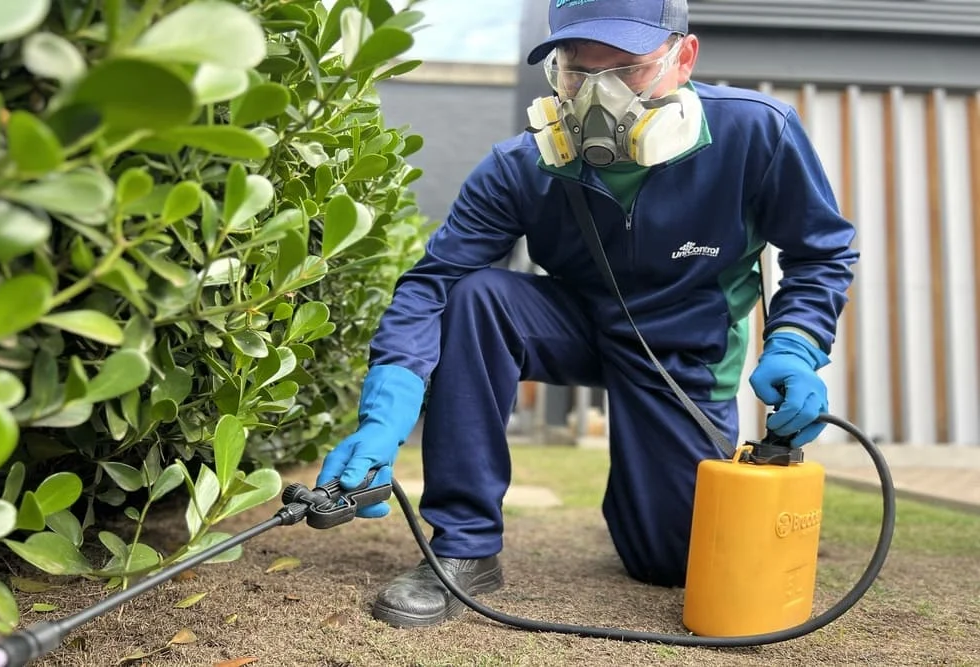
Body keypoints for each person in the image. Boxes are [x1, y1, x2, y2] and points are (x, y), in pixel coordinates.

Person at [315, 0, 858, 629]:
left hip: (686, 348)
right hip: (574, 325)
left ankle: (647, 491)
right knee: (478, 297)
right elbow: (433, 283)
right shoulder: (520, 167)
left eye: (626, 71)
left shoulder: (756, 133)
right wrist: (387, 410)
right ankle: (464, 546)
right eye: (577, 73)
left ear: (683, 58)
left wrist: (795, 342)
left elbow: (821, 251)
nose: (597, 99)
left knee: (666, 561)